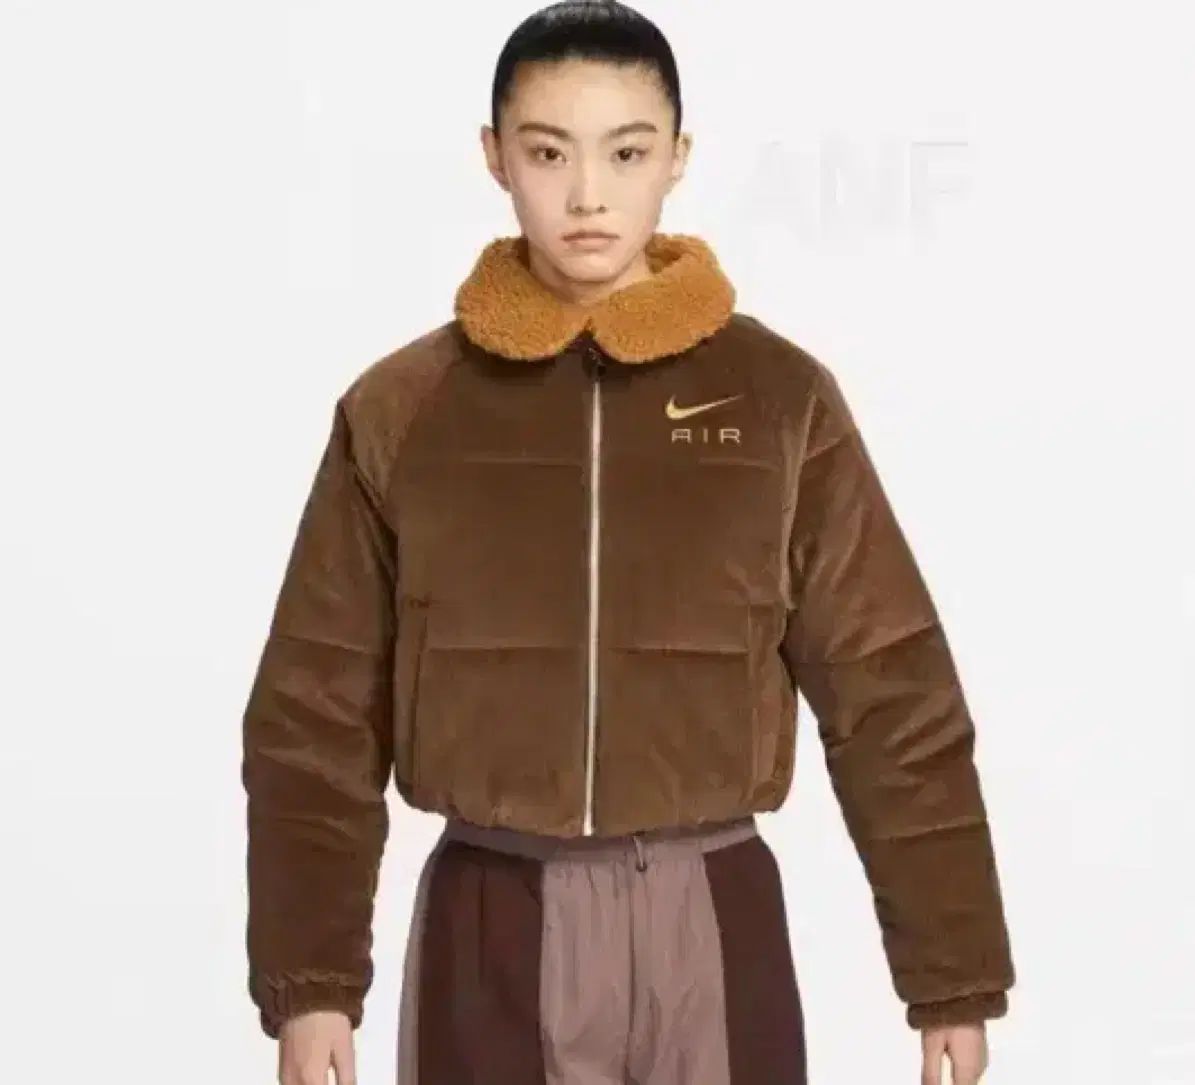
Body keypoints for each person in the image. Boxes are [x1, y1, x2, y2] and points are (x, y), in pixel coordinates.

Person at [240, 2, 1017, 1083]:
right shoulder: (403, 409)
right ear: (495, 157)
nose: (588, 195)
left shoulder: (780, 400)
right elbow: (315, 710)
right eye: (548, 152)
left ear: (678, 158)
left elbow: (893, 692)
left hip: (712, 910)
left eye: (626, 152)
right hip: (490, 912)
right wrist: (312, 981)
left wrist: (952, 975)